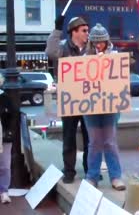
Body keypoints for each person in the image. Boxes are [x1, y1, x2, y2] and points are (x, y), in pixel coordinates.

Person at [45, 16, 90, 184]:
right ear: (74, 32)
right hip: (69, 100)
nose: (87, 33)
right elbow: (50, 52)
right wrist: (57, 30)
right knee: (69, 137)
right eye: (84, 30)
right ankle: (69, 171)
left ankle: (89, 170)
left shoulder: (90, 49)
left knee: (89, 139)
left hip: (88, 100)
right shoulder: (63, 48)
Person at [82, 23, 125, 190]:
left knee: (110, 142)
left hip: (109, 106)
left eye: (102, 42)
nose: (99, 46)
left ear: (107, 42)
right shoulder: (84, 58)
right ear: (91, 43)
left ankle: (115, 176)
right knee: (94, 142)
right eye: (95, 43)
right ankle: (92, 176)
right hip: (90, 107)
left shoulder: (115, 56)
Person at [0, 74, 13, 204]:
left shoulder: (5, 98)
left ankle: (4, 191)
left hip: (3, 136)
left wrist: (8, 131)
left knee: (4, 165)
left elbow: (13, 117)